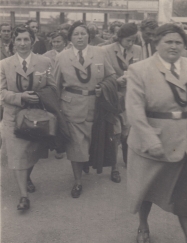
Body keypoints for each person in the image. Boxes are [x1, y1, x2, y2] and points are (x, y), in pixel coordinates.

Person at [126, 23, 187, 243]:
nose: (174, 46)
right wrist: (150, 139)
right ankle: (143, 226)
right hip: (154, 141)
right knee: (146, 191)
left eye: (178, 42)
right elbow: (134, 111)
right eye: (168, 41)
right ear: (156, 43)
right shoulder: (139, 70)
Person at [54, 20, 116, 198]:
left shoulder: (100, 53)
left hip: (96, 106)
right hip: (71, 105)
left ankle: (90, 166)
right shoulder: (62, 57)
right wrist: (56, 111)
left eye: (83, 33)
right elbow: (55, 85)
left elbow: (111, 75)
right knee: (76, 145)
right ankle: (78, 181)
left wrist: (103, 86)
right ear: (70, 38)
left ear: (89, 35)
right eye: (76, 34)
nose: (80, 37)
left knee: (92, 141)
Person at [0, 25, 57, 211]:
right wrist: (20, 97)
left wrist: (41, 96)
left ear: (32, 41)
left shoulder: (45, 62)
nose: (22, 43)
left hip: (36, 118)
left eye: (26, 39)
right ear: (13, 42)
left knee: (32, 152)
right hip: (12, 117)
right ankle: (24, 196)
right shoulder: (4, 64)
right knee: (17, 154)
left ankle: (27, 176)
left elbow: (52, 87)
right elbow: (1, 92)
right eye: (19, 40)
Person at [103, 23, 142, 169]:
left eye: (133, 40)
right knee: (116, 132)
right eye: (128, 40)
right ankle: (114, 166)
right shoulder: (106, 50)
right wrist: (116, 80)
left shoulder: (138, 50)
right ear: (120, 38)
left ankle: (127, 158)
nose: (131, 44)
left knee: (128, 131)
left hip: (131, 97)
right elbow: (102, 75)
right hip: (114, 98)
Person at [44, 30, 68, 159]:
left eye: (59, 41)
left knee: (63, 118)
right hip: (52, 89)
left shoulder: (69, 54)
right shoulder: (46, 55)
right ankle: (54, 144)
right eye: (54, 42)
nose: (56, 44)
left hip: (64, 89)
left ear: (65, 42)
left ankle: (61, 146)